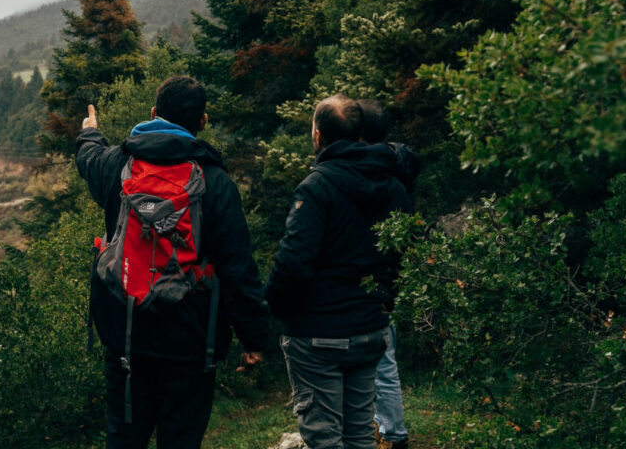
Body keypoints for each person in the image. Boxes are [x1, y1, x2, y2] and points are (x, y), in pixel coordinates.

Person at [75, 76, 269, 449]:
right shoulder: (215, 182)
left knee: (123, 439)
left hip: (126, 337)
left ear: (152, 114)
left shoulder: (118, 165)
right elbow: (237, 267)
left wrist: (90, 132)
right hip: (191, 343)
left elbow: (89, 159)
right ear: (203, 121)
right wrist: (254, 338)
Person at [265, 94, 412, 449]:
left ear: (318, 136)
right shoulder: (393, 186)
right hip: (369, 328)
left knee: (324, 437)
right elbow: (402, 255)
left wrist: (280, 311)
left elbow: (293, 261)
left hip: (318, 332)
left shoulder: (318, 187)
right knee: (360, 434)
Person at [357, 99, 421, 449]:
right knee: (385, 360)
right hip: (389, 279)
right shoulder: (399, 176)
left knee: (378, 363)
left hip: (366, 280)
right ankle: (392, 430)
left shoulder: (369, 177)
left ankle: (389, 432)